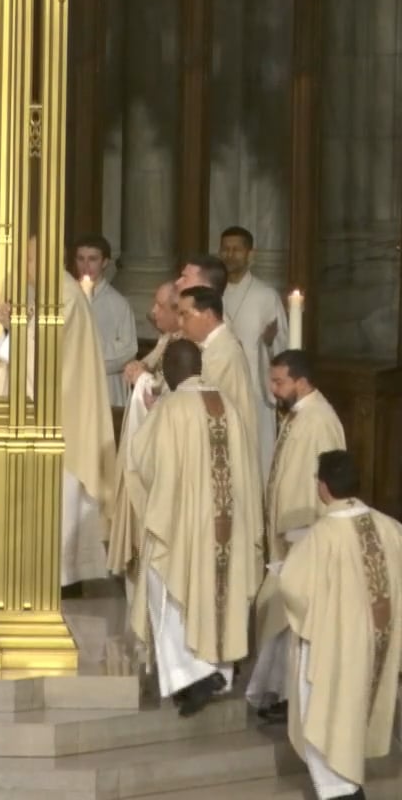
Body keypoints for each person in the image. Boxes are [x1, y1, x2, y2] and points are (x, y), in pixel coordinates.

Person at [127, 339, 263, 718]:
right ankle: (218, 670)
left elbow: (144, 460)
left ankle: (195, 675)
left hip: (184, 524)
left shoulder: (172, 409)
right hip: (228, 524)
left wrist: (150, 414)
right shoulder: (229, 407)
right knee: (220, 591)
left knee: (165, 588)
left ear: (171, 369)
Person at [0, 239, 118, 593]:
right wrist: (10, 327)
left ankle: (62, 578)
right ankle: (43, 573)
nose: (24, 266)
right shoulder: (50, 294)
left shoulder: (63, 295)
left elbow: (42, 355)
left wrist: (13, 328)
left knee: (61, 493)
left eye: (29, 258)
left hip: (64, 415)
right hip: (47, 411)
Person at [276, 449, 402, 800]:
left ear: (323, 487)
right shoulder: (391, 527)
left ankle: (341, 790)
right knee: (355, 710)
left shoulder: (322, 535)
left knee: (323, 712)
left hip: (336, 646)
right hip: (378, 642)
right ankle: (349, 782)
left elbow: (291, 585)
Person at [245, 349, 347, 722]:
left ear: (301, 382)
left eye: (279, 382)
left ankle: (291, 698)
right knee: (278, 618)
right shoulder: (300, 415)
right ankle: (280, 692)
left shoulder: (318, 421)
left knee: (292, 622)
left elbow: (323, 483)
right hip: (288, 537)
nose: (273, 390)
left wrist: (303, 536)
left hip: (304, 537)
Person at [108, 281, 185, 590]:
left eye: (159, 306)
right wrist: (139, 368)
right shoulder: (169, 338)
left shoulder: (189, 347)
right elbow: (150, 366)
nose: (152, 312)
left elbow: (175, 394)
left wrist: (144, 381)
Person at [217, 226, 289, 477]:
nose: (230, 254)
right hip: (220, 389)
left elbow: (283, 346)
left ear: (250, 253)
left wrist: (269, 344)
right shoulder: (213, 294)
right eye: (225, 249)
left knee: (255, 462)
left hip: (255, 391)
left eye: (237, 249)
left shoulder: (266, 296)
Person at [174, 284, 257, 472]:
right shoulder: (210, 347)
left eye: (185, 315)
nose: (179, 323)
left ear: (209, 315)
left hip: (224, 453)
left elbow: (196, 399)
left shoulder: (224, 354)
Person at [71, 235, 138, 410]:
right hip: (70, 383)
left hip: (106, 385)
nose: (86, 266)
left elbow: (128, 349)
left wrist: (89, 356)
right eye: (81, 259)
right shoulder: (66, 298)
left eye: (92, 259)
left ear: (105, 262)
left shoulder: (118, 304)